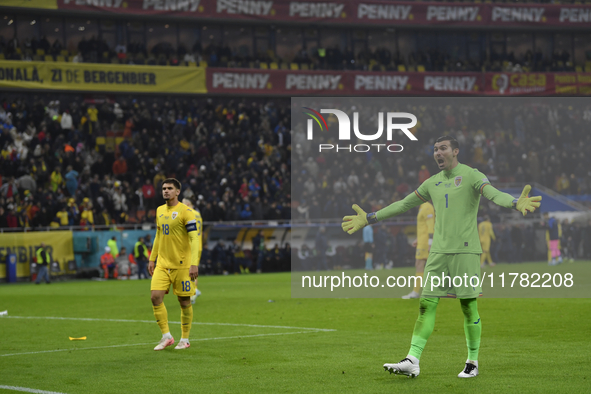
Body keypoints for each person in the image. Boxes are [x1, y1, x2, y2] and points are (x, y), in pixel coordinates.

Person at [342, 136, 541, 379]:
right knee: (426, 305)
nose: (438, 152)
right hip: (438, 253)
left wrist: (514, 203)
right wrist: (371, 217)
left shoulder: (471, 175)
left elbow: (492, 194)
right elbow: (404, 204)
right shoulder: (431, 183)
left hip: (466, 251)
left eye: (443, 148)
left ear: (455, 151)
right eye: (435, 149)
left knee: (468, 307)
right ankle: (412, 359)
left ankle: (472, 361)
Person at [149, 178, 202, 351]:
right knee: (155, 296)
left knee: (184, 301)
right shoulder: (159, 210)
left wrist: (193, 264)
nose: (166, 191)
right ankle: (166, 336)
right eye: (164, 188)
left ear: (177, 192)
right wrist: (152, 258)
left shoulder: (186, 212)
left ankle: (185, 339)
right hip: (163, 264)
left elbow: (194, 238)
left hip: (182, 265)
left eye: (170, 188)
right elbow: (158, 235)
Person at [403, 202, 434, 299]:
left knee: (420, 264)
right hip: (422, 241)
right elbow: (423, 227)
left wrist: (430, 242)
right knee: (422, 265)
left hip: (425, 242)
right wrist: (418, 239)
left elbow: (431, 226)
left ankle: (416, 292)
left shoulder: (427, 207)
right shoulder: (422, 207)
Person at [182, 197, 203, 303]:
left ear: (188, 204)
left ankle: (193, 292)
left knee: (189, 270)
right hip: (198, 245)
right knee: (192, 269)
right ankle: (194, 291)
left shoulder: (188, 214)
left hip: (191, 246)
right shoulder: (198, 214)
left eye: (183, 203)